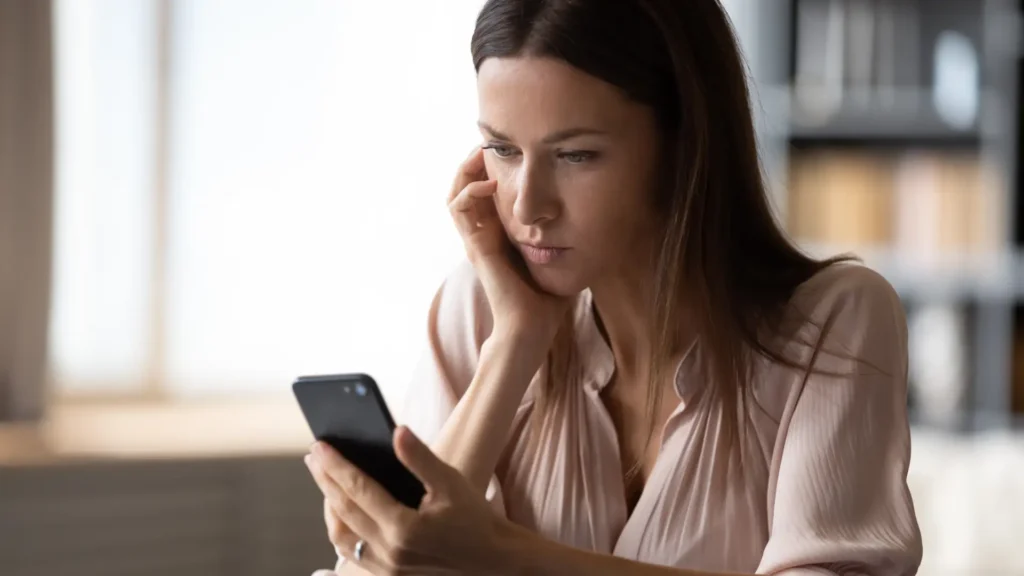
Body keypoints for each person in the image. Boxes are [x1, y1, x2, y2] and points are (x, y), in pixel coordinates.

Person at [304, 0, 924, 574]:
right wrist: (516, 342)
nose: (528, 207)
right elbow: (392, 562)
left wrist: (499, 555)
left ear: (682, 145)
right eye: (501, 148)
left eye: (575, 155)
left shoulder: (836, 320)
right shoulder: (481, 309)